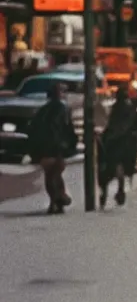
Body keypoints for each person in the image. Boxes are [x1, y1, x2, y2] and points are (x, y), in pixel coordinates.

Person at [27, 82, 77, 214]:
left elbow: (33, 129)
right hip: (57, 147)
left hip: (44, 148)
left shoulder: (42, 111)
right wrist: (71, 145)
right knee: (56, 173)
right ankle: (59, 198)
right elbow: (67, 129)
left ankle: (56, 200)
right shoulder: (63, 109)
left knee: (50, 175)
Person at [99, 85, 137, 209]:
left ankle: (107, 192)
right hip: (125, 143)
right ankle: (119, 190)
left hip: (115, 143)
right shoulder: (130, 109)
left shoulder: (116, 109)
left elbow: (110, 125)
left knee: (110, 167)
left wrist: (106, 137)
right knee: (119, 167)